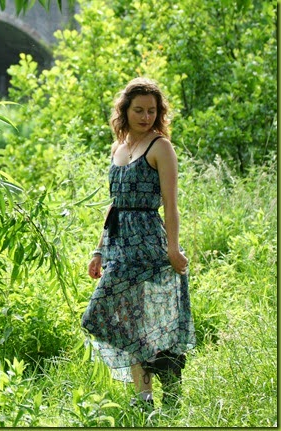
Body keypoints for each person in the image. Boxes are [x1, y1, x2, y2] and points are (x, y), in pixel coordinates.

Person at [81, 77, 196, 409]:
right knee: (116, 320)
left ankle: (169, 391)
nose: (145, 117)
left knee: (154, 325)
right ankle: (144, 399)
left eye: (152, 110)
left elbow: (171, 206)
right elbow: (114, 203)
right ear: (125, 110)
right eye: (139, 110)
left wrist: (173, 249)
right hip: (119, 245)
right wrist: (99, 249)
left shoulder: (161, 147)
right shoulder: (119, 147)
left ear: (158, 113)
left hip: (149, 245)